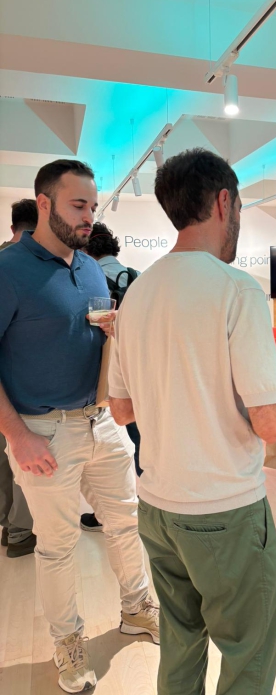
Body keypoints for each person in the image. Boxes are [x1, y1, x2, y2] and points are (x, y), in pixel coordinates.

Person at [108, 148, 276, 695]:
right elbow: (269, 424)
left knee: (181, 640)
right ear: (224, 202)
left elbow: (122, 410)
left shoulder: (136, 294)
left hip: (158, 505)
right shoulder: (237, 289)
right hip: (224, 506)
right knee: (248, 650)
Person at [0, 159, 159, 694]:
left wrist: (113, 331)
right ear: (44, 204)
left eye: (92, 206)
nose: (89, 215)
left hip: (101, 422)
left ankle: (137, 608)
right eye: (78, 205)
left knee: (127, 523)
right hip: (42, 431)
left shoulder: (89, 268)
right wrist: (17, 435)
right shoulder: (8, 270)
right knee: (57, 545)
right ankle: (67, 641)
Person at [80, 222, 142, 534]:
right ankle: (149, 501)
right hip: (140, 369)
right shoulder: (136, 277)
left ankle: (107, 512)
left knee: (103, 447)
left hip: (103, 372)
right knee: (142, 437)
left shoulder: (88, 281)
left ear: (87, 249)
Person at [0, 198, 38, 557]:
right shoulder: (27, 266)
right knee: (24, 461)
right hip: (18, 391)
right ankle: (19, 531)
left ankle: (7, 525)